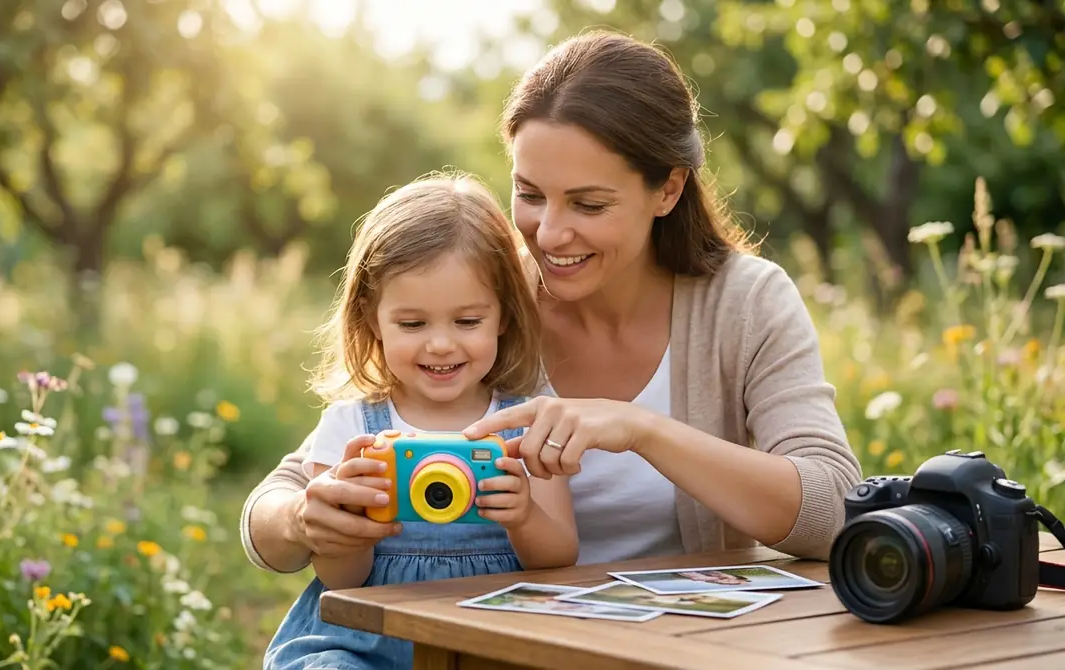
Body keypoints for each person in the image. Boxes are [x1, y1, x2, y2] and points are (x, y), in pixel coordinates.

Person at [241, 28, 861, 588]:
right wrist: (304, 518)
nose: (549, 234)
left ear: (667, 190)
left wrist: (644, 430)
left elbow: (834, 509)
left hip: (676, 642)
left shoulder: (745, 303)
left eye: (589, 205)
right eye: (530, 194)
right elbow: (284, 498)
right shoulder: (478, 302)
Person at [261, 173, 578, 670]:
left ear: (504, 317)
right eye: (412, 324)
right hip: (361, 640)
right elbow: (342, 579)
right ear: (372, 318)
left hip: (492, 639)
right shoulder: (352, 425)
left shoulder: (525, 418)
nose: (441, 344)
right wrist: (354, 525)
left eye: (468, 321)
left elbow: (560, 558)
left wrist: (524, 517)